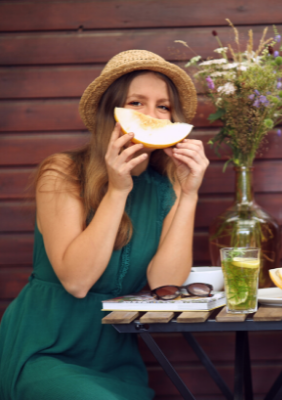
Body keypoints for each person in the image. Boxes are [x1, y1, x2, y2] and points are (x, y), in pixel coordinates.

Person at [0, 50, 209, 400]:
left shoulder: (164, 188)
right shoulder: (62, 172)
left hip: (115, 358)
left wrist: (189, 194)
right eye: (136, 103)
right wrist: (117, 189)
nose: (152, 116)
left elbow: (165, 284)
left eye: (163, 107)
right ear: (110, 114)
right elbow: (77, 282)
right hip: (45, 349)